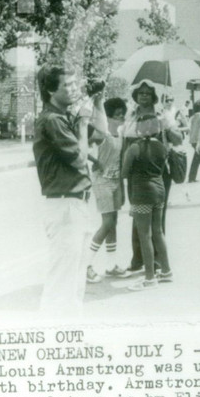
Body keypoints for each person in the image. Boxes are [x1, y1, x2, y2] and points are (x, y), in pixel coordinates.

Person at [33, 66, 95, 314]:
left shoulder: (63, 117)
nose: (74, 89)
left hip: (74, 202)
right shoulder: (53, 120)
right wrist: (83, 124)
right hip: (65, 204)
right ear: (50, 90)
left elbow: (101, 135)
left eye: (74, 83)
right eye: (67, 85)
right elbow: (80, 159)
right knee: (62, 280)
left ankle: (70, 326)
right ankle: (53, 328)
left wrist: (97, 103)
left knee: (75, 279)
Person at [120, 81, 183, 275]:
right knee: (136, 214)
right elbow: (120, 140)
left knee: (157, 218)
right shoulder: (130, 115)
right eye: (141, 93)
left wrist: (166, 125)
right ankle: (138, 258)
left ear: (154, 97)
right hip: (134, 171)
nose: (144, 96)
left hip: (157, 172)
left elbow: (179, 139)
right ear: (136, 96)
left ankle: (156, 260)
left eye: (148, 93)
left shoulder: (162, 115)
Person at [121, 114, 172, 290]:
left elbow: (124, 172)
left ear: (139, 129)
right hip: (159, 191)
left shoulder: (134, 148)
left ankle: (150, 278)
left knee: (144, 235)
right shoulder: (162, 147)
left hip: (142, 192)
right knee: (158, 232)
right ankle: (166, 271)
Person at [85, 97, 127, 282]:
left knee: (113, 223)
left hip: (116, 182)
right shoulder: (102, 134)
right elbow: (81, 146)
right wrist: (95, 161)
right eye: (118, 115)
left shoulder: (121, 134)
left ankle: (111, 265)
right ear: (108, 117)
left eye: (123, 114)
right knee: (107, 223)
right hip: (101, 181)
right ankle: (85, 265)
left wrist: (122, 187)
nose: (121, 118)